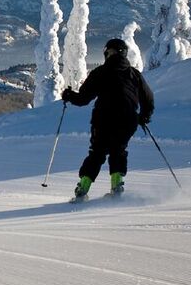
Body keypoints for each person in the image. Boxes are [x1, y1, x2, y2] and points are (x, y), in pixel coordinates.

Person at [61, 38, 154, 200]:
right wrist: (144, 116)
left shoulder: (100, 72)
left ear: (107, 53)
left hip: (104, 118)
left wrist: (69, 96)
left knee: (97, 153)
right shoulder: (134, 74)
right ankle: (117, 187)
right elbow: (148, 97)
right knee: (118, 150)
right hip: (128, 120)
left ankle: (82, 190)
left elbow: (83, 98)